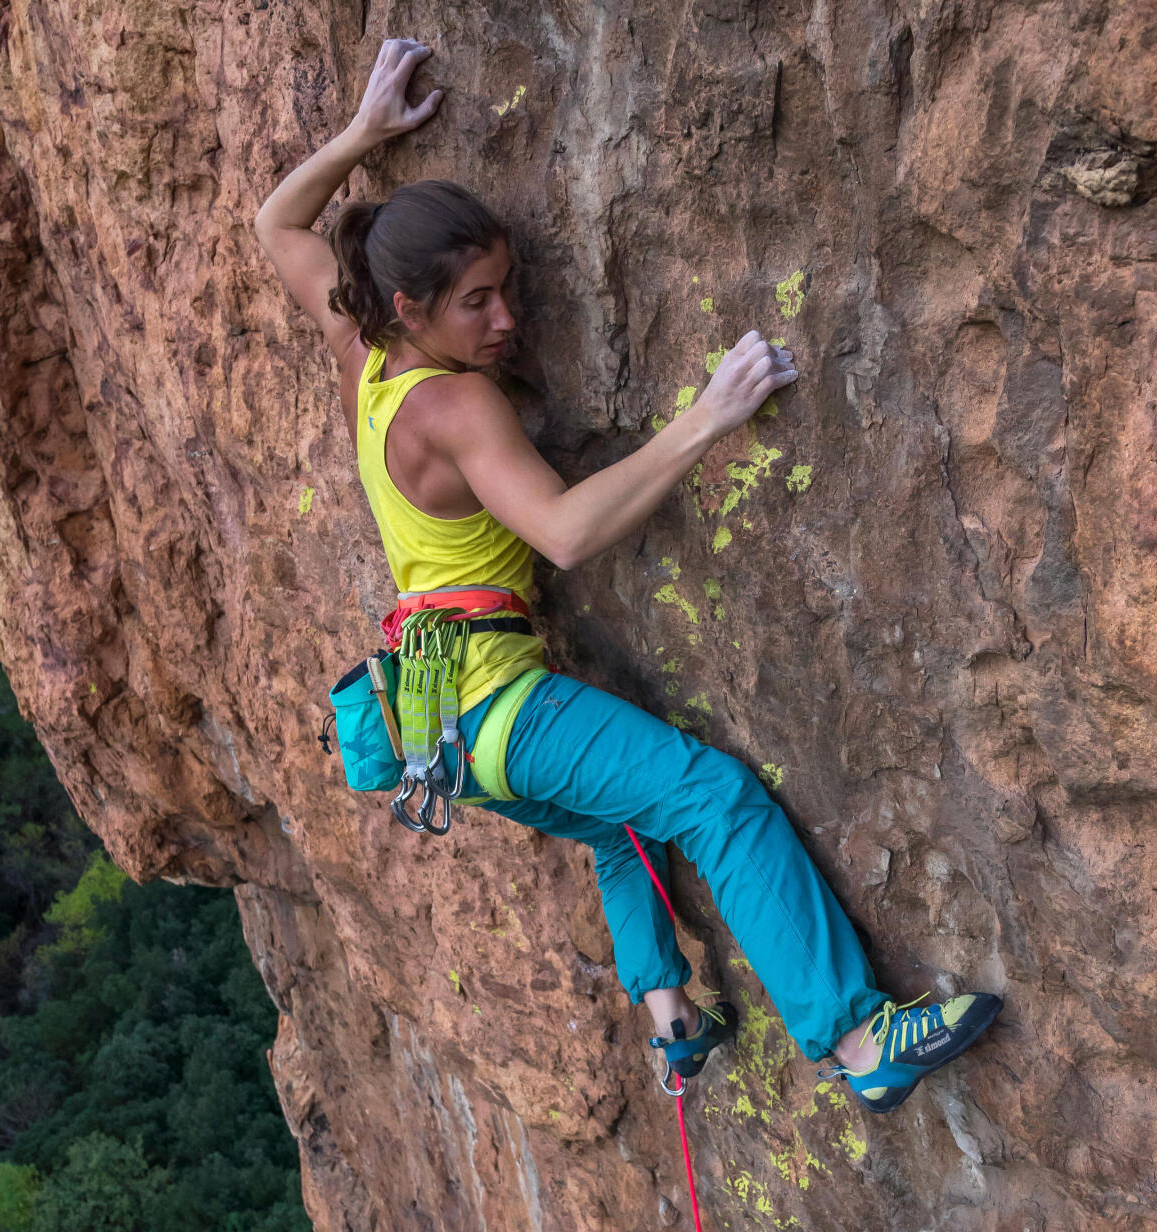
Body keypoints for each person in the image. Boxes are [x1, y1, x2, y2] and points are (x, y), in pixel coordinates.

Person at [254, 36, 1001, 1113]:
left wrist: (363, 136)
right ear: (411, 305)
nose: (505, 318)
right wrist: (707, 416)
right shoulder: (457, 406)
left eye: (507, 288)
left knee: (618, 823)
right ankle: (855, 1039)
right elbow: (561, 530)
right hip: (499, 703)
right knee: (712, 798)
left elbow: (278, 224)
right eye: (476, 301)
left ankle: (668, 1015)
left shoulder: (366, 355)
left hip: (445, 734)